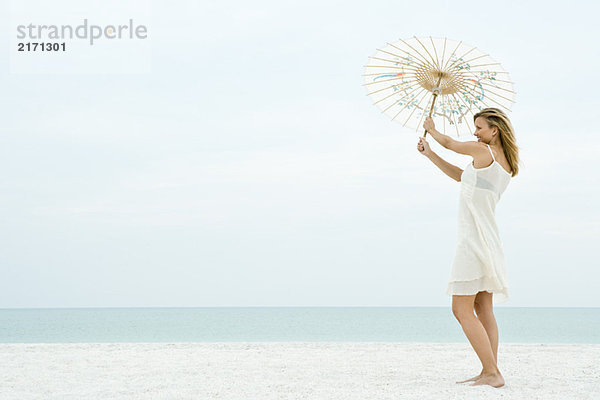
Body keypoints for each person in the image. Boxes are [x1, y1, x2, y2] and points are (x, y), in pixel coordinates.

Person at [417, 108, 520, 388]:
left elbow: (451, 143)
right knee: (483, 308)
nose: (475, 133)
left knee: (460, 310)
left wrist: (432, 129)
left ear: (493, 130)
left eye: (479, 127)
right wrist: (429, 154)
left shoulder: (482, 151)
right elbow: (462, 177)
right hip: (489, 240)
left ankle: (491, 372)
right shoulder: (502, 162)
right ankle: (491, 369)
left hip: (473, 242)